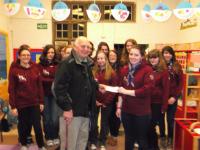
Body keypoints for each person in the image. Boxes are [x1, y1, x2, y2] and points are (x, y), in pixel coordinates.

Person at [53, 36, 99, 150]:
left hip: (85, 111)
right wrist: (67, 109)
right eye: (83, 46)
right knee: (70, 144)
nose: (86, 49)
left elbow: (85, 83)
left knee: (82, 142)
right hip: (72, 112)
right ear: (75, 47)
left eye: (88, 47)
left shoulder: (86, 63)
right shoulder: (67, 63)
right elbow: (58, 88)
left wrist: (97, 86)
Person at [116, 45, 154, 150]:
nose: (133, 57)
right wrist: (119, 107)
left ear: (142, 56)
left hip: (141, 111)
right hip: (126, 110)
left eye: (136, 55)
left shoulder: (147, 70)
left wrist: (127, 91)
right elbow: (121, 89)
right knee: (128, 138)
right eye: (131, 54)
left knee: (141, 139)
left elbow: (147, 90)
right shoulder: (124, 70)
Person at [8, 44, 46, 150]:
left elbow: (39, 86)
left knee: (37, 126)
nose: (26, 57)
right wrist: (13, 106)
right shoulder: (14, 70)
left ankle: (41, 145)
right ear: (19, 56)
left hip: (34, 102)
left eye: (28, 55)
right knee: (23, 125)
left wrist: (41, 102)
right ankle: (23, 144)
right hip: (21, 103)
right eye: (23, 55)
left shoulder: (35, 68)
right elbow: (11, 88)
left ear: (30, 56)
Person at [90, 51, 118, 150]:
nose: (100, 60)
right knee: (93, 122)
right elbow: (90, 88)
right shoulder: (93, 72)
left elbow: (114, 90)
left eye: (102, 58)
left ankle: (102, 141)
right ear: (96, 60)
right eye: (98, 59)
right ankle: (93, 141)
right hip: (95, 102)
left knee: (104, 123)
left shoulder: (112, 73)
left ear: (106, 60)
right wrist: (95, 100)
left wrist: (106, 102)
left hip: (107, 103)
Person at [147, 49, 170, 149]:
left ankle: (154, 147)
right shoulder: (147, 69)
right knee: (147, 126)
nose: (152, 60)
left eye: (155, 57)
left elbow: (166, 90)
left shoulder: (164, 72)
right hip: (146, 103)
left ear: (159, 58)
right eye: (151, 57)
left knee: (151, 126)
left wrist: (164, 107)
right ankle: (150, 146)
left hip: (157, 104)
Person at [38, 44, 60, 147]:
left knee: (55, 118)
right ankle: (48, 137)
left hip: (55, 95)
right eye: (49, 52)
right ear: (45, 54)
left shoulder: (58, 65)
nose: (51, 54)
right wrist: (52, 79)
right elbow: (40, 80)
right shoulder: (40, 65)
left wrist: (48, 78)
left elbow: (58, 80)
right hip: (44, 95)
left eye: (52, 52)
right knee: (46, 118)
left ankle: (55, 136)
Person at [161, 46, 183, 148]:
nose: (167, 55)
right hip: (160, 98)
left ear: (172, 54)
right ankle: (162, 138)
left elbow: (180, 83)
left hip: (172, 99)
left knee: (170, 120)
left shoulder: (177, 66)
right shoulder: (159, 65)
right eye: (165, 53)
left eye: (169, 53)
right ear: (162, 54)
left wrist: (174, 97)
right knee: (160, 120)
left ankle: (170, 138)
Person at [107, 50, 121, 146]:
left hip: (117, 97)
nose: (112, 57)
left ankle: (114, 136)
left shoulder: (121, 68)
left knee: (116, 117)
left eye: (114, 55)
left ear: (117, 56)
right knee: (108, 117)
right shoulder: (105, 67)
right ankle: (110, 135)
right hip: (107, 96)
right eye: (110, 55)